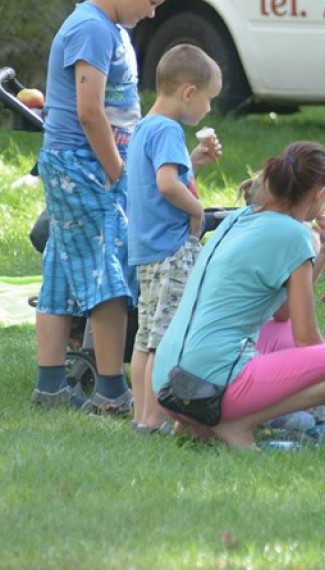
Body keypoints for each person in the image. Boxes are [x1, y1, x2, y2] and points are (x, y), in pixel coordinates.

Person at [31, 0, 174, 414]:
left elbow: (116, 109)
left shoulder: (106, 28)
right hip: (83, 166)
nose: (151, 14)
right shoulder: (92, 29)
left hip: (82, 163)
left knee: (60, 266)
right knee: (110, 274)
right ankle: (112, 390)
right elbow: (90, 113)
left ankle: (51, 385)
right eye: (150, 2)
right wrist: (119, 175)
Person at [151, 142, 325, 448]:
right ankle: (237, 423)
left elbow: (281, 315)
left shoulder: (239, 218)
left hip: (166, 382)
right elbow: (306, 340)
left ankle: (197, 425)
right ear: (319, 192)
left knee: (275, 341)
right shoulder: (296, 235)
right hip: (210, 387)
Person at [125, 44, 222, 433]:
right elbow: (167, 185)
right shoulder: (168, 130)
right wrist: (197, 212)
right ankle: (153, 419)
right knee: (165, 339)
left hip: (148, 251)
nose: (209, 109)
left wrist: (192, 160)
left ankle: (140, 416)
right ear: (188, 93)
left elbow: (160, 175)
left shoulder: (145, 127)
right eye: (209, 99)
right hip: (171, 249)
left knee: (145, 335)